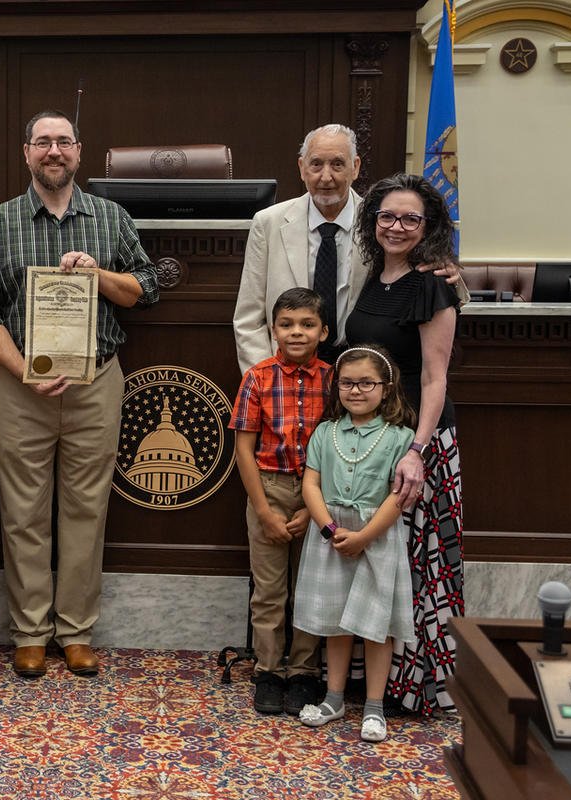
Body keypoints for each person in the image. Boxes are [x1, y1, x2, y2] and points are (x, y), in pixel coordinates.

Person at [0, 109, 160, 679]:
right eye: (43, 142)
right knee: (23, 511)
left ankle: (75, 631)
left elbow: (145, 288)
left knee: (86, 509)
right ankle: (30, 631)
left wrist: (97, 273)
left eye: (65, 142)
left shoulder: (111, 217)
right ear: (26, 152)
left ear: (80, 152)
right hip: (21, 383)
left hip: (94, 381)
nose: (54, 151)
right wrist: (24, 368)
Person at [344, 173, 463, 715]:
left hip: (416, 438)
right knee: (372, 556)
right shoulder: (372, 278)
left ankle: (412, 684)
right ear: (373, 222)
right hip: (371, 431)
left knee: (414, 563)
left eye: (410, 218)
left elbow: (436, 377)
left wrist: (417, 449)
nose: (396, 226)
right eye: (387, 217)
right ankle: (365, 682)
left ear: (429, 226)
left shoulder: (432, 285)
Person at [294, 345, 418, 742]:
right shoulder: (325, 431)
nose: (356, 390)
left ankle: (375, 706)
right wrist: (331, 530)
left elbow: (398, 496)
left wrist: (364, 536)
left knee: (375, 624)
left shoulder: (401, 437)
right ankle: (334, 698)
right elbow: (311, 484)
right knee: (335, 621)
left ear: (387, 386)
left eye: (367, 383)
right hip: (331, 536)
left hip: (376, 536)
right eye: (347, 383)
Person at [229, 287, 332, 716]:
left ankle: (304, 672)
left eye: (307, 325)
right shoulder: (257, 377)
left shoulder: (333, 379)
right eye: (287, 324)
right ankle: (269, 671)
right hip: (268, 487)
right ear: (273, 330)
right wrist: (264, 510)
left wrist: (314, 508)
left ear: (324, 332)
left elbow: (337, 446)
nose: (297, 333)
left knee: (309, 589)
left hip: (320, 491)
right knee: (270, 590)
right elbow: (243, 451)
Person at [234, 124, 365, 371]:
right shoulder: (269, 222)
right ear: (302, 168)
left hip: (357, 375)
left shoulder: (379, 223)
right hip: (284, 372)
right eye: (316, 164)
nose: (326, 177)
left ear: (355, 167)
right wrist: (267, 380)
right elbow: (249, 318)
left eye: (337, 164)